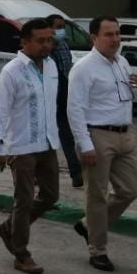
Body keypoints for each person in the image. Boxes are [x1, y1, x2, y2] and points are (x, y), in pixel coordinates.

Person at [67, 16, 137, 272]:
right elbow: (75, 109)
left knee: (130, 190)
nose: (115, 39)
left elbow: (127, 95)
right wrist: (85, 143)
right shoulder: (83, 68)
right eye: (108, 34)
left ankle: (87, 225)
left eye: (117, 34)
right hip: (97, 135)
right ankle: (98, 250)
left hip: (125, 134)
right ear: (94, 38)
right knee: (97, 195)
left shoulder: (122, 63)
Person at [0, 19, 59, 274]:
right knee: (24, 199)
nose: (46, 45)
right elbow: (0, 110)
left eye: (49, 40)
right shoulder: (12, 70)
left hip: (47, 141)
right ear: (25, 42)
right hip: (20, 145)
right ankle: (21, 252)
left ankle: (9, 228)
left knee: (51, 195)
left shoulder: (51, 67)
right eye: (40, 40)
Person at [48, 13, 84, 188]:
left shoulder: (64, 44)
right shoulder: (46, 46)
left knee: (66, 132)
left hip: (64, 90)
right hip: (49, 92)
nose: (61, 30)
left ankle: (76, 171)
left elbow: (67, 67)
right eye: (58, 27)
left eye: (63, 26)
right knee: (46, 134)